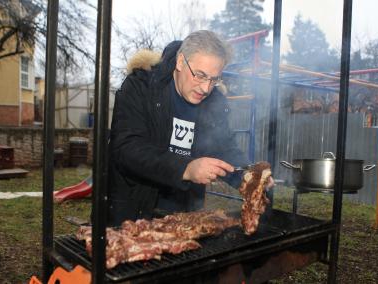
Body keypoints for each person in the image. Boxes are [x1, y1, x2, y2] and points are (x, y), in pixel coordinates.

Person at [107, 30, 272, 226]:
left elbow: (224, 148)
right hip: (132, 212)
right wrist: (185, 168)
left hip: (184, 214)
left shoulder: (214, 102)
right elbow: (127, 148)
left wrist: (247, 176)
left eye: (213, 79)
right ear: (180, 62)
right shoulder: (140, 87)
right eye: (200, 75)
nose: (205, 88)